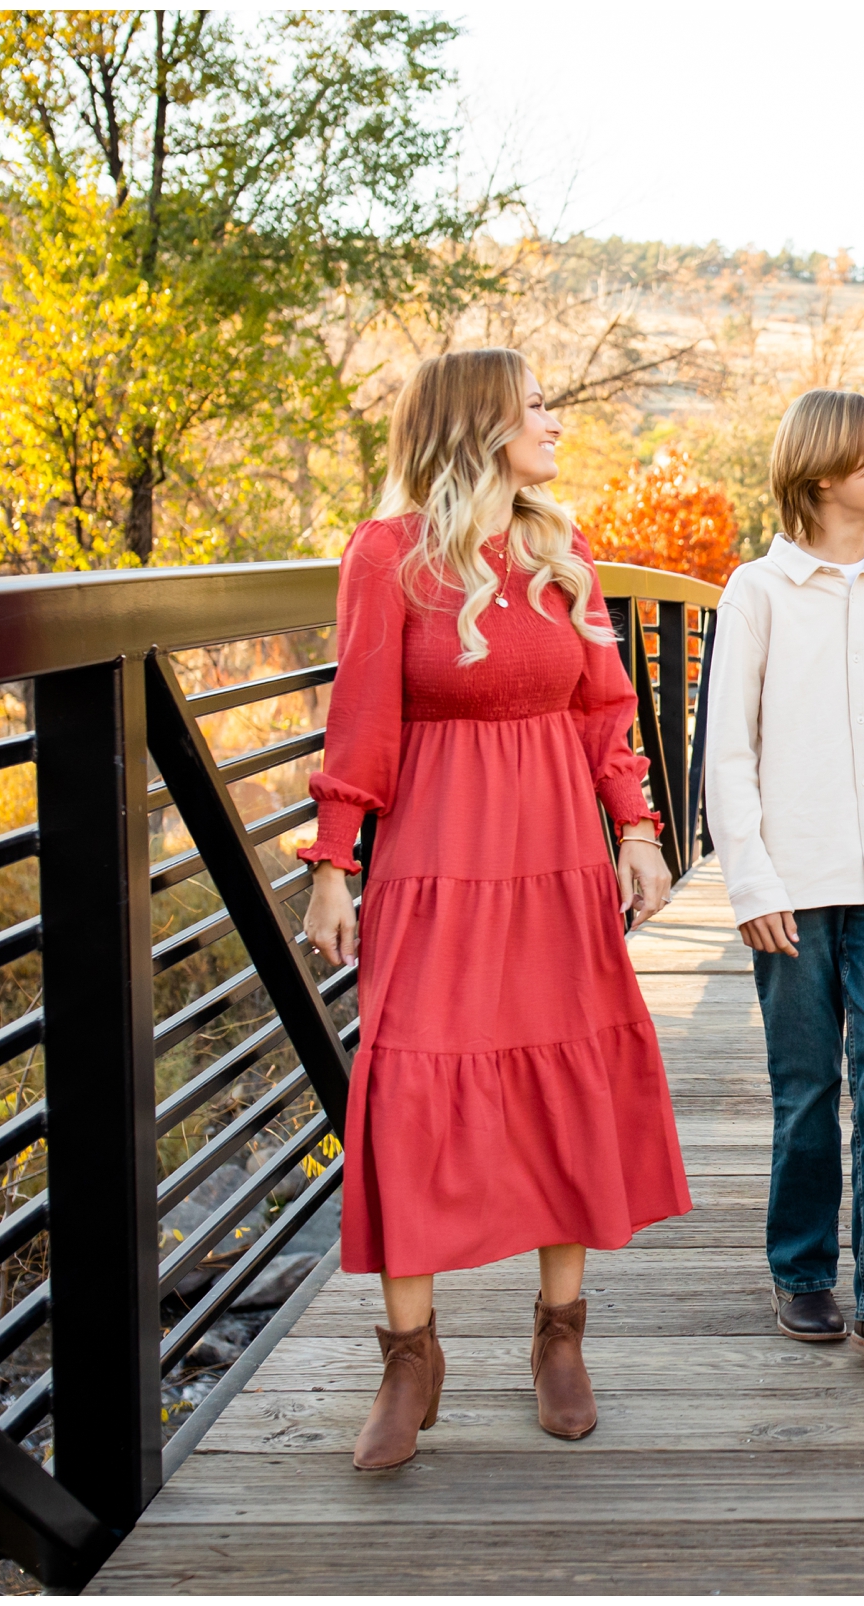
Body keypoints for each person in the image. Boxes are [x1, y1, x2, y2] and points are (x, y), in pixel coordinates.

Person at [299, 347, 693, 1470]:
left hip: (558, 854)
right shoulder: (387, 554)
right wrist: (334, 860)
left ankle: (559, 1336)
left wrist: (637, 830)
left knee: (560, 1075)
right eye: (535, 409)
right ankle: (410, 1354)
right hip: (434, 855)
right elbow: (362, 718)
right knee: (411, 1083)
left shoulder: (560, 549)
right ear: (481, 426)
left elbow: (606, 708)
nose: (554, 423)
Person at [703, 389, 864, 1371]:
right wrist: (750, 885)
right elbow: (728, 755)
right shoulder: (756, 593)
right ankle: (804, 1267)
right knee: (806, 1084)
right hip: (792, 887)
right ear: (822, 474)